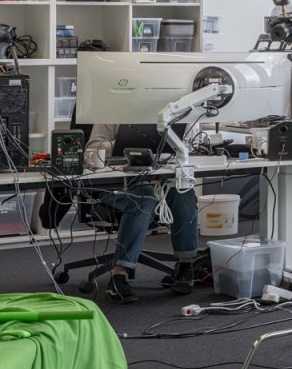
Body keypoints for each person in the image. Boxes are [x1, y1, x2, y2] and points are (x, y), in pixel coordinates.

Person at [84, 122, 203, 302]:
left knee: (183, 193)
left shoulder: (178, 112)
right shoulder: (109, 109)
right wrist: (125, 144)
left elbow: (192, 145)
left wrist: (171, 148)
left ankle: (186, 267)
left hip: (163, 178)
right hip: (116, 182)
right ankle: (118, 277)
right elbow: (93, 147)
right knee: (144, 197)